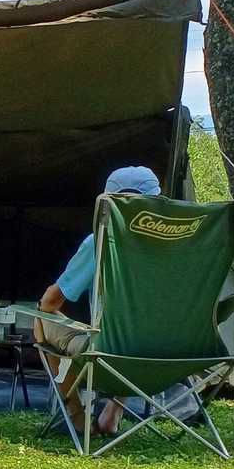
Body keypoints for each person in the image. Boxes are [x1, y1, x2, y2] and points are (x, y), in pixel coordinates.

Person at [35, 166, 162, 434]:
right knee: (138, 331)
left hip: (110, 351)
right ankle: (113, 411)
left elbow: (52, 302)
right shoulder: (187, 244)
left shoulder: (101, 241)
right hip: (176, 353)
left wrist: (45, 309)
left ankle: (78, 417)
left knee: (41, 315)